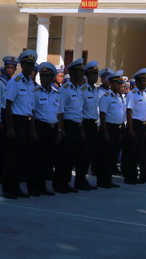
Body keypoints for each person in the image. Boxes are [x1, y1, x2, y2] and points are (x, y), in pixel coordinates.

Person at [2, 49, 37, 199]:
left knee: (23, 158)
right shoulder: (14, 82)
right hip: (16, 121)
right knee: (12, 158)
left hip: (27, 123)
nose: (29, 67)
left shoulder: (32, 84)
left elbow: (32, 109)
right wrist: (10, 127)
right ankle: (8, 189)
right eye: (27, 64)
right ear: (22, 65)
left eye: (32, 65)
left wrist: (33, 129)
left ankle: (16, 187)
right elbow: (8, 105)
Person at [54, 58, 87, 193]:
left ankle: (66, 182)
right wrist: (61, 129)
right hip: (67, 125)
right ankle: (58, 183)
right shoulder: (65, 89)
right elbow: (60, 111)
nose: (81, 74)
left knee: (72, 157)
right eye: (79, 72)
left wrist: (82, 130)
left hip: (77, 126)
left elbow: (80, 111)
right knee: (63, 156)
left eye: (82, 72)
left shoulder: (79, 89)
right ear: (73, 73)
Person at [29, 62, 61, 197]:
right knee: (36, 159)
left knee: (47, 161)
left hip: (52, 129)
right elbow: (32, 113)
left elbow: (59, 113)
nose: (43, 79)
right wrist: (33, 131)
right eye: (42, 76)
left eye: (47, 76)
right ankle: (33, 187)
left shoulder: (56, 94)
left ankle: (42, 186)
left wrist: (59, 131)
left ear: (52, 77)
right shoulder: (35, 92)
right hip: (40, 128)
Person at [0, 56, 17, 184]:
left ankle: (2, 172)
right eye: (8, 67)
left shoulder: (13, 83)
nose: (10, 70)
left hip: (8, 116)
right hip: (0, 116)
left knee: (6, 148)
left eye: (12, 68)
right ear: (5, 68)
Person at [97, 70, 125, 188]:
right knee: (105, 155)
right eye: (118, 83)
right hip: (109, 127)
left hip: (117, 128)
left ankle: (108, 179)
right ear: (112, 83)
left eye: (121, 83)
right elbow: (102, 114)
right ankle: (102, 180)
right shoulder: (106, 97)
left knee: (112, 155)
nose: (120, 86)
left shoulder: (119, 97)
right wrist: (105, 132)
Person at [122, 69, 146, 184]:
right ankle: (129, 176)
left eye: (145, 81)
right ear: (137, 82)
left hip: (142, 125)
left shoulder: (144, 95)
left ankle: (135, 175)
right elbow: (129, 111)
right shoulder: (132, 94)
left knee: (139, 152)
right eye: (143, 81)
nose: (145, 83)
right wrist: (131, 128)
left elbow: (145, 113)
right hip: (135, 124)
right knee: (131, 152)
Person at [79, 61, 100, 188]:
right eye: (92, 74)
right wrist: (81, 129)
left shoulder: (95, 91)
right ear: (87, 75)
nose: (95, 76)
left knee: (90, 154)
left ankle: (84, 178)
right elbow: (80, 110)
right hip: (85, 124)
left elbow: (95, 109)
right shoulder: (83, 90)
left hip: (93, 124)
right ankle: (80, 179)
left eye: (96, 74)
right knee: (83, 154)